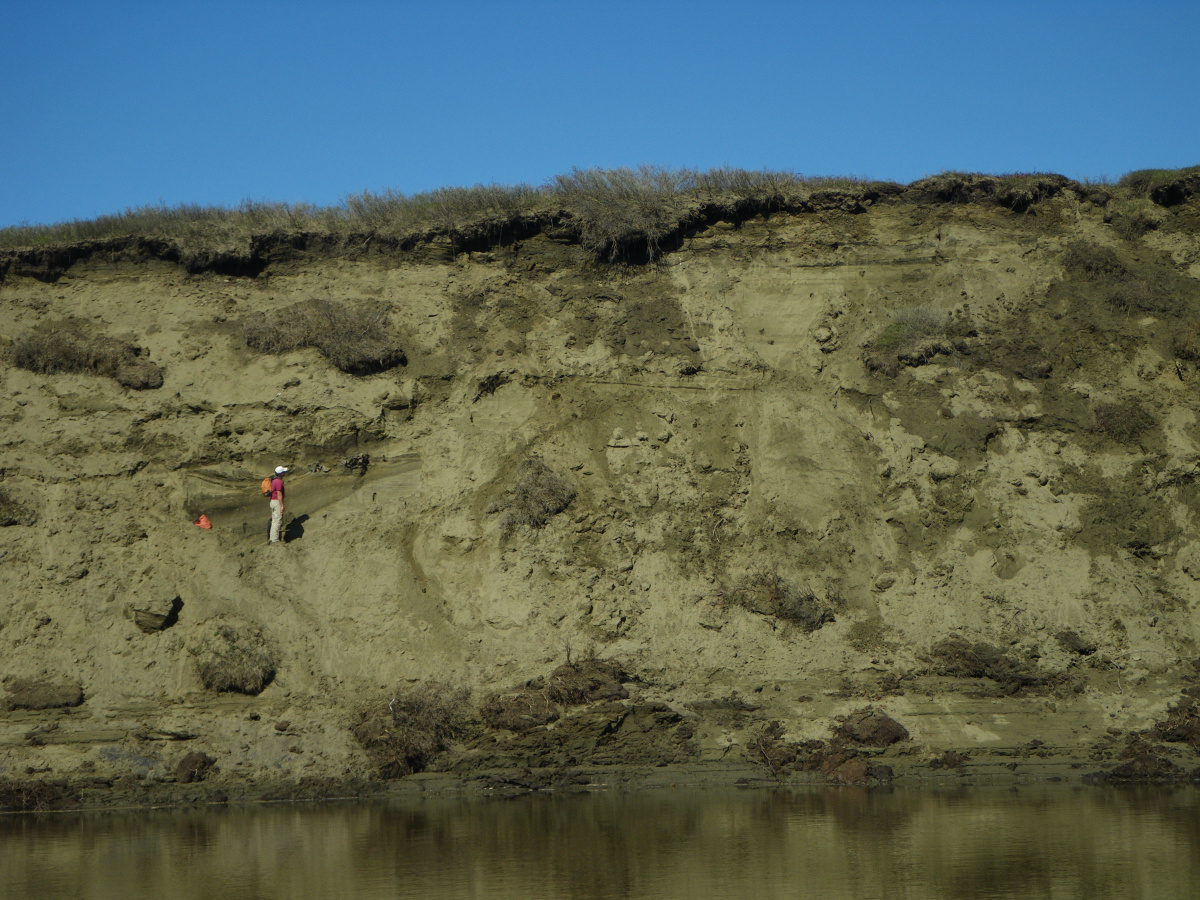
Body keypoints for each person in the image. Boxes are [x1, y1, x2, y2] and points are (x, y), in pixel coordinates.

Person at [268, 466, 287, 544]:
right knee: (277, 521)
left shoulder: (274, 481)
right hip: (276, 502)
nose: (285, 473)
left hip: (273, 501)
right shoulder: (279, 482)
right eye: (284, 472)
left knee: (274, 520)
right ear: (281, 473)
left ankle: (272, 538)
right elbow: (279, 494)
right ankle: (275, 540)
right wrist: (282, 505)